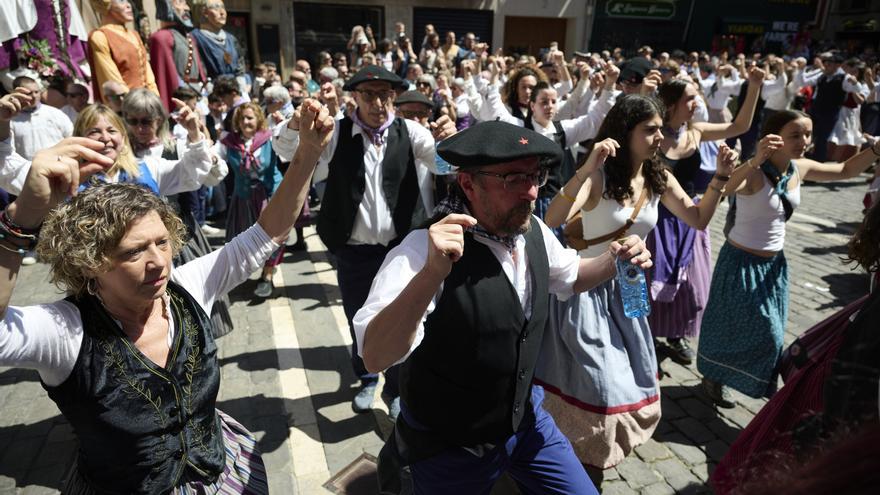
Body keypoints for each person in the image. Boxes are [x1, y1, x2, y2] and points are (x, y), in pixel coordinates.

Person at [0, 99, 334, 493]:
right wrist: (20, 220)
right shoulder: (66, 332)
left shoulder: (187, 288)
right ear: (89, 261)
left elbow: (268, 232)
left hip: (219, 471)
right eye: (133, 252)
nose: (158, 262)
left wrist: (309, 151)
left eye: (162, 242)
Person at [353, 120, 652, 494]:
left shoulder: (534, 233)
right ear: (467, 184)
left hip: (526, 424)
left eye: (535, 175)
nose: (530, 192)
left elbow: (573, 276)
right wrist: (431, 273)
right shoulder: (418, 250)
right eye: (512, 179)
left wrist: (615, 258)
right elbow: (375, 355)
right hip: (450, 446)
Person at [535, 95, 737, 480]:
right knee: (597, 382)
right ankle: (570, 460)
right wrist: (585, 169)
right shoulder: (598, 175)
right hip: (585, 290)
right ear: (624, 133)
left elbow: (697, 219)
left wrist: (720, 179)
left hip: (629, 291)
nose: (660, 136)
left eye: (661, 128)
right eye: (650, 129)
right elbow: (553, 216)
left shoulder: (659, 177)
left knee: (630, 377)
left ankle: (585, 459)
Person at [272, 65, 456, 420]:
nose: (378, 103)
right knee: (358, 316)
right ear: (354, 97)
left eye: (385, 95)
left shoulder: (411, 131)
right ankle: (367, 376)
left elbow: (442, 165)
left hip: (401, 251)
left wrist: (449, 141)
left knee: (407, 318)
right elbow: (286, 151)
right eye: (369, 94)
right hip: (353, 250)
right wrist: (296, 125)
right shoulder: (336, 133)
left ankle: (395, 386)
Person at [698, 110, 880, 407]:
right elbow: (723, 189)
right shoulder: (754, 173)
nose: (804, 141)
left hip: (773, 266)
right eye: (795, 135)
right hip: (740, 263)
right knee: (729, 326)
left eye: (807, 134)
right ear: (774, 137)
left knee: (770, 333)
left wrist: (874, 151)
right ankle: (714, 377)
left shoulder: (799, 169)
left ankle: (736, 378)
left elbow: (845, 171)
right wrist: (754, 160)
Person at [711, 200, 880, 494]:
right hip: (844, 394)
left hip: (774, 273)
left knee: (772, 339)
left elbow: (842, 172)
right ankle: (717, 375)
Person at [648, 69, 764, 370]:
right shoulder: (651, 134)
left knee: (691, 286)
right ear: (670, 104)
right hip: (656, 219)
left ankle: (675, 335)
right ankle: (646, 339)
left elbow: (740, 125)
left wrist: (753, 87)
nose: (696, 103)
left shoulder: (696, 131)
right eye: (690, 98)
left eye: (697, 97)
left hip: (690, 216)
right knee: (652, 283)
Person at [87, 0, 159, 103]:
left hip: (147, 104)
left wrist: (154, 99)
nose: (129, 5)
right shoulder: (100, 36)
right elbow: (111, 79)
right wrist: (132, 106)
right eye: (121, 1)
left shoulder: (134, 35)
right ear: (106, 4)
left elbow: (148, 75)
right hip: (126, 108)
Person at [149, 0, 208, 113]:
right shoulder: (162, 37)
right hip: (181, 100)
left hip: (198, 97)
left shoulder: (189, 36)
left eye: (186, 3)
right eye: (180, 2)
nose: (187, 8)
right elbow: (167, 77)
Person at [7, 76, 73, 160]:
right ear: (17, 93)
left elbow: (71, 137)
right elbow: (9, 152)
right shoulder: (11, 121)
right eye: (29, 93)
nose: (34, 96)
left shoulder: (55, 113)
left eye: (36, 92)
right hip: (30, 170)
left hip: (60, 165)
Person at [191, 0, 247, 91]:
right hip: (212, 89)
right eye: (216, 7)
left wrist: (241, 86)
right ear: (204, 12)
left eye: (223, 7)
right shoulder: (194, 37)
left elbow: (240, 65)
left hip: (234, 88)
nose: (222, 12)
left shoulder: (231, 38)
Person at [829, 58, 870, 162]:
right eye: (850, 70)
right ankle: (835, 162)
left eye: (855, 71)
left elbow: (860, 101)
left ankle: (854, 162)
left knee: (854, 138)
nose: (852, 73)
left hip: (852, 114)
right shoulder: (841, 80)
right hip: (839, 112)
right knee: (839, 137)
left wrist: (854, 88)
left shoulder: (863, 85)